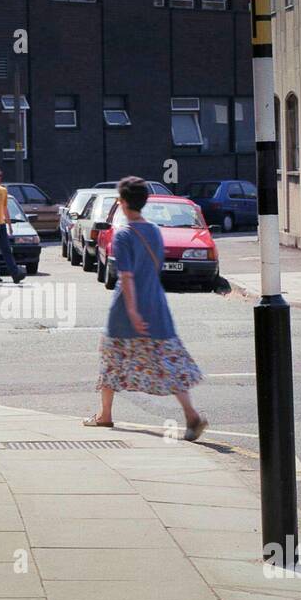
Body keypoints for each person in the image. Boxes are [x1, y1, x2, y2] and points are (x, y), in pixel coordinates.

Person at [83, 176, 207, 441]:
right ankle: (191, 414)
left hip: (127, 311)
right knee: (167, 361)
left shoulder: (124, 234)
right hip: (157, 304)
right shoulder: (154, 230)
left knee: (111, 360)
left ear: (123, 203)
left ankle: (104, 415)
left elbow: (126, 277)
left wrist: (133, 312)